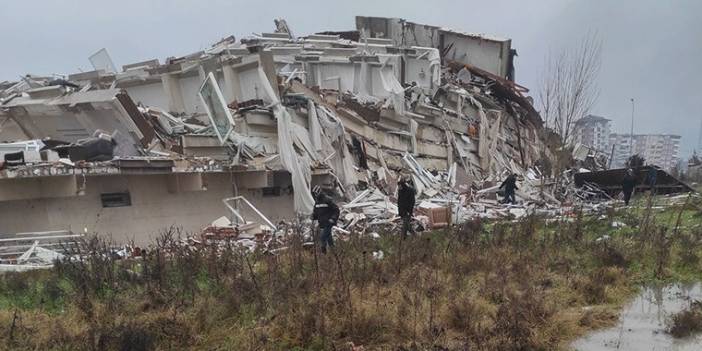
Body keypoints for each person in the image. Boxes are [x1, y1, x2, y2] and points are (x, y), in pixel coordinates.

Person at [311, 186, 339, 254]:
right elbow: (317, 213)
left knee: (323, 237)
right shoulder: (317, 202)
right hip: (322, 223)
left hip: (329, 223)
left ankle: (324, 253)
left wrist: (333, 219)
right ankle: (334, 253)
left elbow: (336, 210)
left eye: (316, 193)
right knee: (329, 239)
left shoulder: (328, 199)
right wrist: (313, 216)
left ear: (320, 192)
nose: (315, 195)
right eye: (314, 194)